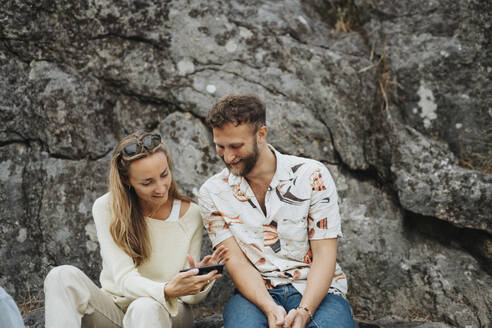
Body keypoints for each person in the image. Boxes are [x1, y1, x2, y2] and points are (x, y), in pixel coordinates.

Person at [198, 94, 355, 328]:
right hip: (257, 295)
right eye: (220, 147)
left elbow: (325, 255)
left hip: (319, 292)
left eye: (236, 146)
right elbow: (237, 263)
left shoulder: (312, 175)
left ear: (261, 135)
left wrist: (304, 312)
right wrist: (270, 309)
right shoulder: (212, 192)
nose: (228, 157)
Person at [44, 131, 227, 328]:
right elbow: (125, 280)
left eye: (164, 174)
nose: (161, 187)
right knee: (61, 276)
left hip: (169, 312)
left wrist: (200, 279)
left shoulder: (190, 214)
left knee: (145, 306)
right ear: (126, 181)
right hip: (116, 310)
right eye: (147, 182)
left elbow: (189, 299)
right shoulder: (107, 208)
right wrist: (165, 288)